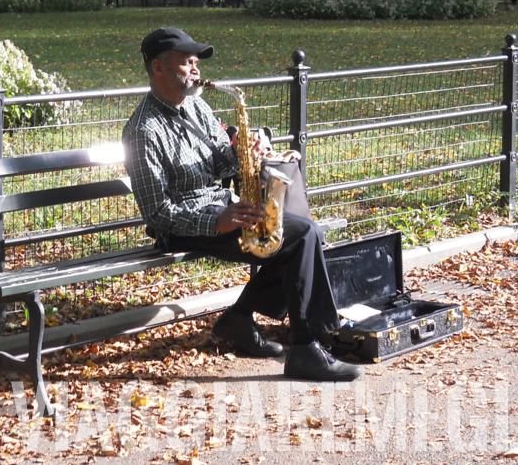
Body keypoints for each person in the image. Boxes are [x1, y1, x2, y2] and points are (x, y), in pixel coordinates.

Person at [122, 27, 363, 383]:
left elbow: (221, 163)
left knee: (295, 235)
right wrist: (218, 222)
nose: (196, 69)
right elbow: (158, 214)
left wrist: (242, 154)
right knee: (302, 236)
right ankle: (306, 345)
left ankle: (241, 320)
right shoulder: (144, 131)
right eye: (187, 62)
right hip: (185, 226)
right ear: (159, 68)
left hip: (223, 207)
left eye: (196, 62)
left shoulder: (195, 106)